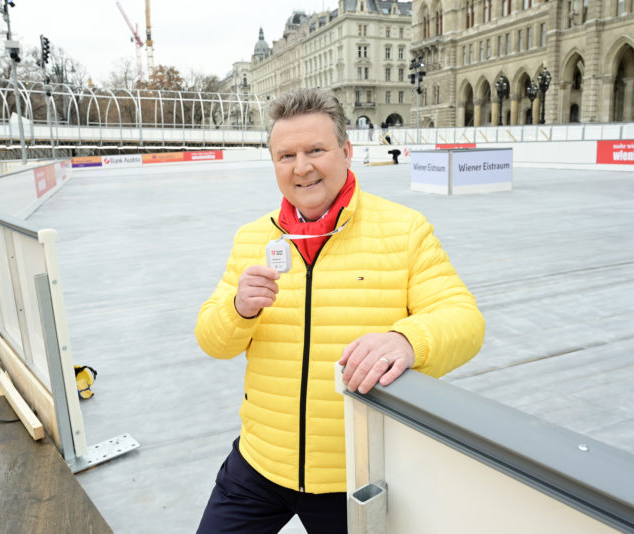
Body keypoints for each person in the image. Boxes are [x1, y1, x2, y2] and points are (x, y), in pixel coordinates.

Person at [195, 88, 485, 534]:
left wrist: (407, 339)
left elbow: (465, 322)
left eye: (316, 150)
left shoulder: (404, 230)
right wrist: (238, 310)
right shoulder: (253, 239)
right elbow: (212, 341)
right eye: (286, 155)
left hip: (354, 475)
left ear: (347, 152)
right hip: (260, 463)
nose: (302, 167)